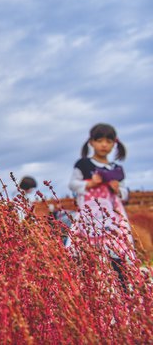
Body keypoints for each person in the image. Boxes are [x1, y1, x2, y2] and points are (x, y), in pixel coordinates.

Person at [67, 123, 136, 287]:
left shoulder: (116, 169)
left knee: (117, 254)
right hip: (88, 216)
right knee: (81, 255)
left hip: (113, 219)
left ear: (114, 144)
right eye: (100, 140)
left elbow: (125, 193)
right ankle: (83, 292)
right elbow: (72, 184)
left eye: (108, 141)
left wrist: (117, 190)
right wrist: (90, 183)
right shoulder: (83, 165)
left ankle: (123, 290)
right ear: (91, 142)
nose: (104, 145)